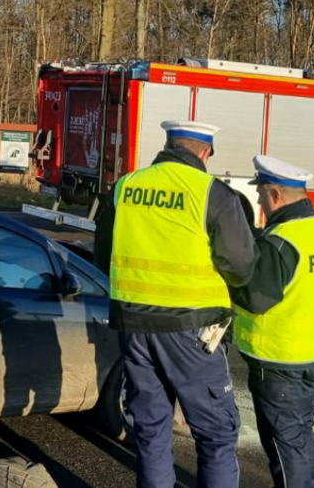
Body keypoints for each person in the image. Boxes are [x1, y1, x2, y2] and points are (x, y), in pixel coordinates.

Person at [95, 120, 257, 488]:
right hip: (192, 330)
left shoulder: (126, 186)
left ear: (168, 144)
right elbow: (241, 266)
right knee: (215, 435)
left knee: (151, 432)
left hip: (133, 324)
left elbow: (103, 252)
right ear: (205, 152)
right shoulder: (211, 193)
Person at [230, 156, 314, 488]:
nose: (258, 201)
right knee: (300, 436)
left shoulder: (281, 242)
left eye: (261, 194)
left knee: (285, 447)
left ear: (275, 196)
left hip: (279, 361)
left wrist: (229, 279)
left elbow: (255, 299)